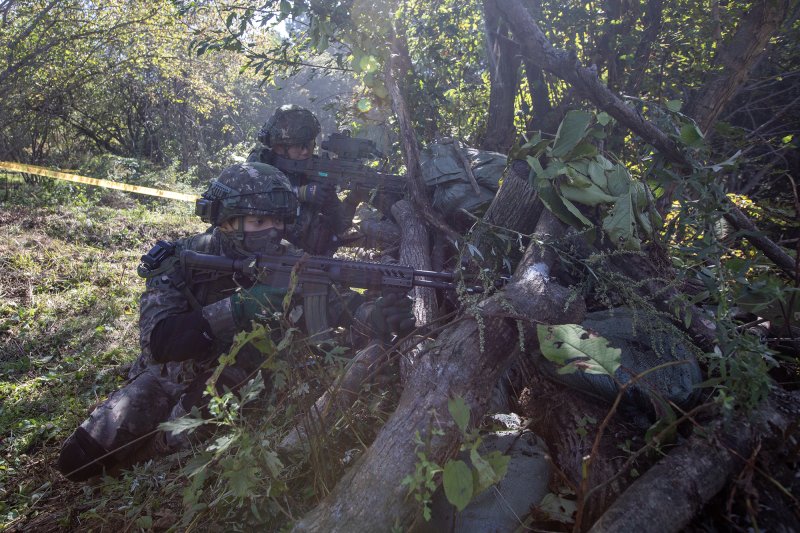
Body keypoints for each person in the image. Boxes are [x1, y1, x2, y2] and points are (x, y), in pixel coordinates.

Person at [56, 162, 413, 482]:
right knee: (77, 459)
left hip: (237, 380)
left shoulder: (294, 261)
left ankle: (158, 449)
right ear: (226, 221)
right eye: (259, 221)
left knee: (191, 421)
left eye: (278, 222)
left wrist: (376, 314)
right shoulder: (183, 259)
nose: (272, 232)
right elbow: (159, 342)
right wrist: (240, 307)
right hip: (165, 376)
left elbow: (341, 309)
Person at [248, 105, 349, 256]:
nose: (306, 151)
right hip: (260, 254)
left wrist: (340, 201)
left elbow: (341, 226)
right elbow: (250, 199)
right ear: (279, 147)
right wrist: (300, 193)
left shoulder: (315, 169)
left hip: (305, 261)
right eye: (299, 145)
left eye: (310, 144)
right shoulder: (260, 163)